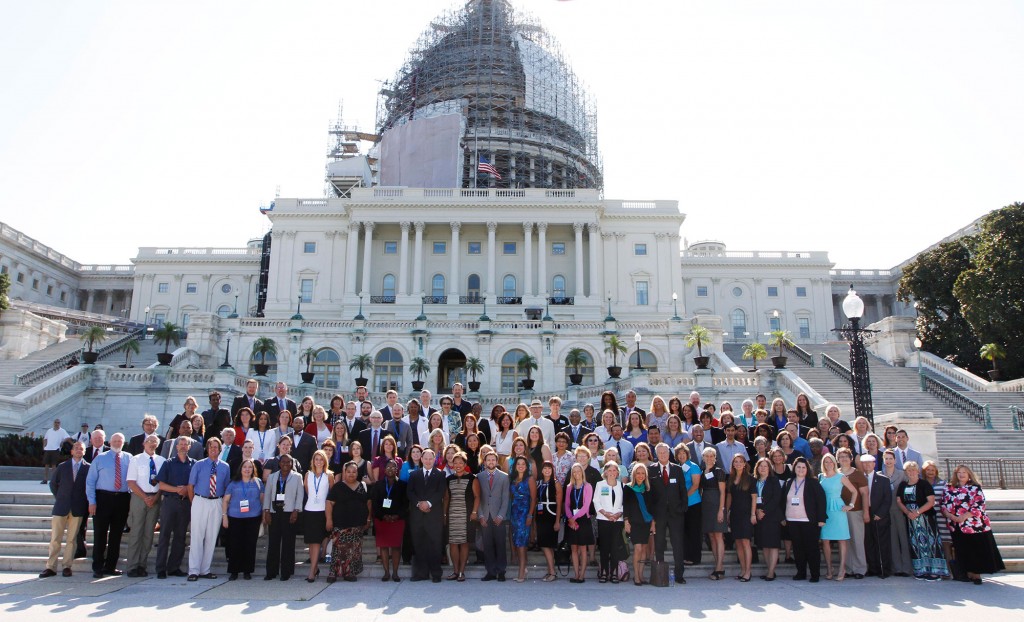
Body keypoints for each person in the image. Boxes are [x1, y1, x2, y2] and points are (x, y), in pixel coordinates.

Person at [941, 464, 1005, 585]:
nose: (961, 474)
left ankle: (976, 574)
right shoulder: (949, 488)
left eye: (964, 472)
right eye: (959, 472)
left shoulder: (975, 488)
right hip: (956, 525)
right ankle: (966, 572)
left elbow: (979, 505)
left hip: (974, 525)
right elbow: (943, 504)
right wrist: (952, 517)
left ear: (969, 474)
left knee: (975, 549)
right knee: (962, 549)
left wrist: (963, 517)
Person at [85, 432, 131, 578]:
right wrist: (92, 502)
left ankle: (111, 566)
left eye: (120, 441)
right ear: (110, 442)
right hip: (103, 498)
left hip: (122, 499)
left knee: (116, 535)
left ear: (123, 443)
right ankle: (98, 567)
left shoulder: (129, 458)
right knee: (100, 534)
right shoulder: (100, 458)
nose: (117, 443)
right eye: (115, 441)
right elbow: (90, 481)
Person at [40, 440, 88, 578]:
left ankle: (67, 566)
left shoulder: (88, 468)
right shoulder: (62, 466)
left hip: (78, 509)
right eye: (76, 448)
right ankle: (51, 567)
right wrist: (61, 497)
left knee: (72, 540)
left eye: (81, 448)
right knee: (56, 539)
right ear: (72, 451)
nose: (79, 450)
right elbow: (53, 484)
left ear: (84, 452)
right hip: (61, 507)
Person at [897, 461, 950, 581]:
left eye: (913, 470)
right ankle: (920, 570)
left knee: (931, 543)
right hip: (911, 520)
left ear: (918, 471)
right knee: (916, 544)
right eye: (908, 470)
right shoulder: (903, 485)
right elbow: (899, 501)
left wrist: (917, 512)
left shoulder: (924, 484)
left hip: (926, 518)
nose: (911, 472)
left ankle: (935, 571)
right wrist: (908, 513)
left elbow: (931, 501)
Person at [186, 437, 230, 581]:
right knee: (197, 536)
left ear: (220, 449)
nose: (213, 450)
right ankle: (193, 570)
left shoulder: (225, 466)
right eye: (211, 447)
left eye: (216, 447)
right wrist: (194, 502)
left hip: (216, 502)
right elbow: (190, 485)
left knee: (211, 537)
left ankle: (205, 570)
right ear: (207, 448)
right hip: (200, 500)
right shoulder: (199, 465)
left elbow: (225, 487)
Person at [781, 457, 827, 582]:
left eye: (803, 467)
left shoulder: (813, 482)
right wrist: (783, 517)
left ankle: (814, 574)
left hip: (809, 521)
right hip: (792, 520)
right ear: (794, 468)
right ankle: (801, 572)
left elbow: (821, 501)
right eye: (798, 467)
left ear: (807, 469)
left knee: (811, 548)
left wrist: (821, 518)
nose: (801, 469)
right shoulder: (789, 482)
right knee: (797, 548)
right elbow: (782, 501)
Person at [154, 436, 194, 579]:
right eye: (181, 444)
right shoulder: (168, 463)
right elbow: (162, 485)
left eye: (186, 444)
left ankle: (174, 567)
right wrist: (177, 489)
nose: (183, 446)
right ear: (176, 447)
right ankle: (160, 568)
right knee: (164, 535)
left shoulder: (193, 464)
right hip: (170, 502)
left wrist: (186, 491)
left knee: (180, 536)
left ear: (189, 447)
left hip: (185, 503)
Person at [325, 461, 372, 583]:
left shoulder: (362, 486)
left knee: (353, 551)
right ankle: (333, 573)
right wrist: (329, 520)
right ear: (344, 472)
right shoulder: (338, 486)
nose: (351, 474)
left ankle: (349, 572)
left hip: (357, 524)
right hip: (340, 524)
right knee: (338, 550)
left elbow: (368, 503)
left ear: (357, 472)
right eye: (349, 471)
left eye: (354, 471)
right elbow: (329, 503)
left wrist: (368, 519)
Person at [647, 442, 687, 584]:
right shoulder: (650, 470)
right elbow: (649, 493)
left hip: (676, 513)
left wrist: (683, 508)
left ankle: (679, 575)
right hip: (659, 514)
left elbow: (683, 490)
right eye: (660, 453)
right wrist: (651, 513)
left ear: (669, 453)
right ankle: (660, 574)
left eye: (665, 452)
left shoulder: (677, 469)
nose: (663, 455)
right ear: (656, 454)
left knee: (678, 543)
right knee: (659, 543)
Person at [125, 433, 164, 577]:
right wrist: (145, 497)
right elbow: (131, 482)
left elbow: (163, 483)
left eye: (154, 441)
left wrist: (155, 497)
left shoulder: (161, 461)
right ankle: (132, 566)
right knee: (136, 532)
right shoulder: (136, 459)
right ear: (144, 443)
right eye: (149, 441)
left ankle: (142, 564)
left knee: (148, 533)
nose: (152, 443)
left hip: (155, 498)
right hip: (139, 497)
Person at [407, 448, 447, 582]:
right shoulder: (414, 474)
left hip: (433, 516)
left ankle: (436, 574)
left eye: (431, 458)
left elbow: (440, 492)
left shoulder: (440, 474)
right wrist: (419, 504)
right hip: (417, 516)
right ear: (421, 459)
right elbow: (410, 493)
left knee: (435, 545)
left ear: (434, 460)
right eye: (426, 458)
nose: (428, 461)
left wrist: (428, 503)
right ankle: (421, 573)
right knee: (419, 545)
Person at [222, 458, 263, 580]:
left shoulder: (258, 482)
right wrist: (224, 516)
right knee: (235, 545)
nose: (247, 469)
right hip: (235, 518)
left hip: (253, 518)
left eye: (250, 467)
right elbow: (225, 500)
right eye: (245, 467)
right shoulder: (233, 483)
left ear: (253, 469)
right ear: (241, 469)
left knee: (250, 545)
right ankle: (234, 571)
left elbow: (262, 499)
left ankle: (247, 571)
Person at [264, 454, 303, 581]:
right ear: (279, 463)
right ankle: (271, 572)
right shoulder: (272, 476)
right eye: (283, 462)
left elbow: (300, 495)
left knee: (288, 543)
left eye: (288, 462)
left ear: (292, 464)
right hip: (275, 512)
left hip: (290, 512)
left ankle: (286, 572)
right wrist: (267, 511)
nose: (285, 464)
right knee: (273, 543)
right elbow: (268, 494)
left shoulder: (297, 477)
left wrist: (296, 510)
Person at [818, 453, 856, 581]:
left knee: (841, 539)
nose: (828, 464)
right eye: (826, 462)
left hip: (838, 509)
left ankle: (842, 568)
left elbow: (854, 491)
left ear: (835, 462)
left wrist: (850, 505)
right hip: (824, 509)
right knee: (825, 540)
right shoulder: (820, 477)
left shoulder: (841, 476)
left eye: (830, 461)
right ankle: (829, 568)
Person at [444, 452, 480, 582]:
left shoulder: (472, 478)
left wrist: (474, 512)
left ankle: (461, 572)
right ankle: (455, 571)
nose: (458, 465)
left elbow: (477, 497)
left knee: (464, 542)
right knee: (453, 543)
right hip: (453, 515)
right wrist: (444, 514)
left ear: (465, 464)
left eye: (461, 463)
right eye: (455, 463)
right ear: (452, 464)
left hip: (467, 515)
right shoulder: (448, 479)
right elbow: (447, 498)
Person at [372, 459, 408, 582]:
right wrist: (383, 516)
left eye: (393, 467)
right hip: (382, 520)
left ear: (397, 470)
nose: (391, 469)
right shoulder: (378, 485)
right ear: (384, 469)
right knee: (384, 546)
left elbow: (406, 504)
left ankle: (395, 573)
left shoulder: (403, 485)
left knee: (396, 546)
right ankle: (386, 572)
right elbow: (375, 504)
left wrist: (397, 516)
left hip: (398, 520)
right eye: (388, 467)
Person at [477, 451, 511, 582]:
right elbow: (478, 498)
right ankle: (490, 571)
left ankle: (501, 571)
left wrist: (501, 515)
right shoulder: (479, 477)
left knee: (500, 544)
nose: (491, 462)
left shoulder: (504, 477)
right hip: (485, 516)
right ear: (484, 462)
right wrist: (480, 515)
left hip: (498, 516)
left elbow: (505, 498)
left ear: (497, 462)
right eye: (488, 460)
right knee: (488, 545)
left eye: (493, 460)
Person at [837, 447, 869, 579]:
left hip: (856, 511)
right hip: (839, 512)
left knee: (857, 540)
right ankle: (849, 568)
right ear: (837, 459)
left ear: (851, 459)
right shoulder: (835, 473)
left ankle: (860, 569)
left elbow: (865, 493)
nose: (844, 459)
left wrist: (866, 512)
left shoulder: (857, 474)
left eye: (846, 456)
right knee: (845, 541)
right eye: (841, 456)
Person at [859, 454, 893, 578]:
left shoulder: (883, 479)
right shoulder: (860, 478)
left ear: (874, 464)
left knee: (881, 544)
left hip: (879, 516)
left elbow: (887, 499)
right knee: (868, 543)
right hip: (864, 514)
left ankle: (884, 569)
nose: (867, 465)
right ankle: (872, 568)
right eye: (864, 463)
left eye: (870, 462)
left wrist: (880, 514)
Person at [725, 454, 757, 581]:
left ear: (745, 464)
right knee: (738, 543)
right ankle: (743, 570)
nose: (738, 464)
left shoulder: (750, 479)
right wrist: (727, 512)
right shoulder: (731, 479)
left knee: (745, 542)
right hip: (735, 514)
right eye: (735, 462)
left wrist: (753, 514)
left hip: (746, 514)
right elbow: (729, 497)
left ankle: (748, 572)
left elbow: (754, 497)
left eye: (740, 462)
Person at [879, 450, 911, 576]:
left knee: (903, 538)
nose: (888, 461)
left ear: (895, 460)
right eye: (886, 459)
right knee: (892, 540)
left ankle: (907, 568)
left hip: (900, 509)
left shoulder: (902, 474)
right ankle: (897, 568)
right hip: (887, 511)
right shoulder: (880, 475)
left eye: (890, 458)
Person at [623, 462, 655, 586]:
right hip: (634, 523)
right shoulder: (628, 488)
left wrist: (653, 523)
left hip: (646, 522)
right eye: (638, 473)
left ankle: (641, 575)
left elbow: (652, 508)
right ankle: (636, 576)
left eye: (643, 473)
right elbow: (625, 505)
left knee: (644, 550)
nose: (640, 475)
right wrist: (626, 521)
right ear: (634, 475)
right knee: (638, 548)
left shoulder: (648, 489)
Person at [594, 461, 625, 583]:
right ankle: (604, 572)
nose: (612, 473)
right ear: (605, 472)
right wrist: (606, 514)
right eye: (609, 470)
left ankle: (614, 573)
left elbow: (624, 503)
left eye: (614, 470)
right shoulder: (600, 484)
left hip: (617, 520)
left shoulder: (622, 485)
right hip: (603, 519)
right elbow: (596, 501)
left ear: (618, 472)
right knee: (604, 548)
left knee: (615, 548)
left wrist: (618, 514)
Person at [564, 462, 595, 583]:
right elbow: (566, 505)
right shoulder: (569, 487)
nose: (577, 474)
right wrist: (570, 518)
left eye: (579, 471)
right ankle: (576, 574)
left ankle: (582, 575)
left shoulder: (588, 486)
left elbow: (586, 506)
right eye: (574, 472)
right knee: (574, 549)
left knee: (583, 549)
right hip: (571, 520)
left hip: (582, 520)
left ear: (582, 472)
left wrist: (574, 518)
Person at [303, 450, 331, 582]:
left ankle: (312, 571)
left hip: (322, 511)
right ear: (313, 461)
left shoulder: (329, 475)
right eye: (316, 459)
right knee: (311, 542)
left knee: (317, 541)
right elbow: (308, 492)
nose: (319, 462)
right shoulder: (308, 475)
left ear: (325, 461)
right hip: (309, 510)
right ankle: (314, 568)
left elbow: (330, 496)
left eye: (321, 459)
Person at [752, 458, 782, 580]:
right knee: (764, 544)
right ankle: (769, 569)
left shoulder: (774, 481)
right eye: (760, 466)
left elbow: (776, 498)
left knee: (773, 544)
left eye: (765, 466)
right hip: (759, 516)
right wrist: (757, 511)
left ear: (769, 468)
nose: (763, 468)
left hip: (772, 516)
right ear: (757, 468)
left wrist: (764, 511)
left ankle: (771, 572)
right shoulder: (754, 481)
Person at [700, 447, 727, 580]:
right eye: (707, 456)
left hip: (717, 505)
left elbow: (723, 492)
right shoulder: (702, 471)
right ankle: (718, 565)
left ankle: (719, 568)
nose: (709, 458)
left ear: (715, 458)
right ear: (703, 458)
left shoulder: (719, 472)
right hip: (706, 506)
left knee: (718, 536)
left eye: (712, 456)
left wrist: (721, 510)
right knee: (711, 536)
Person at [508, 455, 536, 582]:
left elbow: (534, 499)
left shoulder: (529, 479)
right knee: (517, 542)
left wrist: (530, 515)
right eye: (518, 463)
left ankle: (521, 575)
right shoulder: (513, 479)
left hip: (524, 513)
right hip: (515, 512)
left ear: (526, 466)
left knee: (521, 543)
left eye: (523, 464)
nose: (520, 466)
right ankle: (523, 569)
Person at [534, 460, 562, 582]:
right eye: (545, 468)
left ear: (552, 470)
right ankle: (550, 570)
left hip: (551, 515)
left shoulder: (556, 483)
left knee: (547, 545)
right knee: (545, 545)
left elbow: (560, 504)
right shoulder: (538, 483)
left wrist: (557, 521)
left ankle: (552, 572)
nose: (547, 471)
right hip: (541, 515)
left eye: (549, 468)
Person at [922, 460, 954, 564]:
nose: (930, 472)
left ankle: (949, 568)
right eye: (928, 470)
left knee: (945, 544)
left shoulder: (943, 484)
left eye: (933, 470)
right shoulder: (920, 483)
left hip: (940, 517)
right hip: (925, 516)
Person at [42, 418, 71, 484]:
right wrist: (44, 446)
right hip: (48, 449)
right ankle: (45, 479)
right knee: (46, 465)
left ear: (60, 424)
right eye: (55, 422)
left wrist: (63, 441)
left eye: (58, 422)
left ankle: (53, 480)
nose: (57, 424)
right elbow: (45, 439)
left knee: (53, 465)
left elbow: (68, 438)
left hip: (56, 449)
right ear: (53, 423)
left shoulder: (62, 431)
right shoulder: (49, 430)